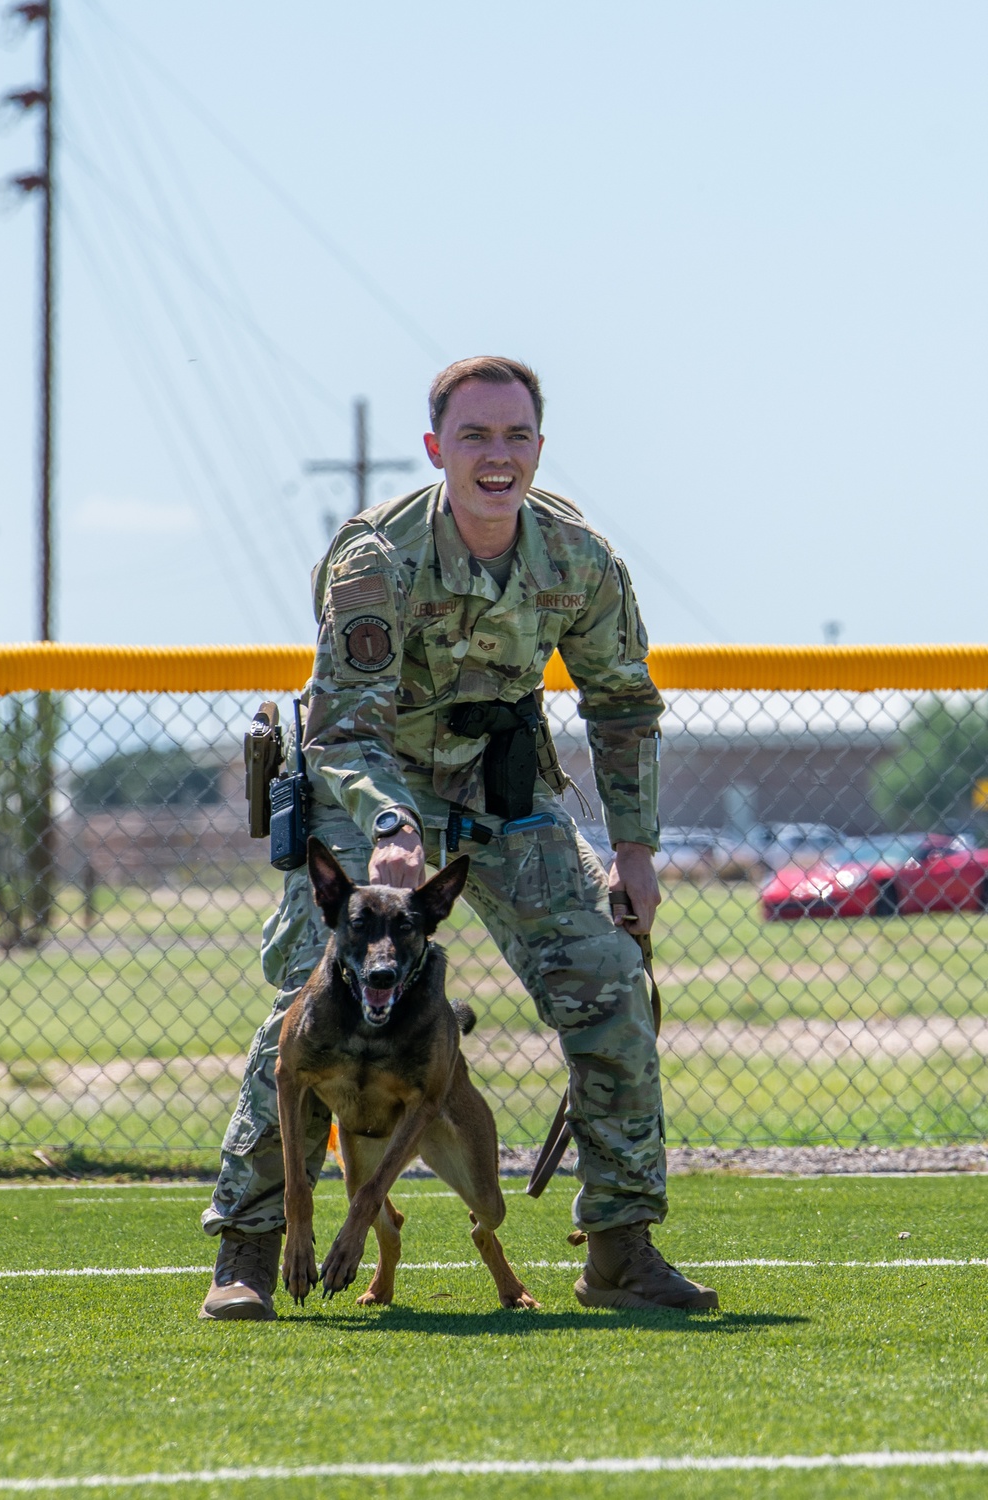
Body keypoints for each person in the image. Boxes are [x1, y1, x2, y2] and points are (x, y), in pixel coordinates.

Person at [200, 356, 718, 1320]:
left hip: (498, 786)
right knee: (306, 1006)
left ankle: (620, 1246)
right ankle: (249, 1243)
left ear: (539, 448)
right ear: (437, 448)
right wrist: (390, 822)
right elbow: (343, 724)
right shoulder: (377, 558)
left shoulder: (580, 559)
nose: (497, 457)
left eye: (516, 436)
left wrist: (636, 852)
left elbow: (621, 703)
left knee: (607, 977)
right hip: (373, 787)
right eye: (475, 437)